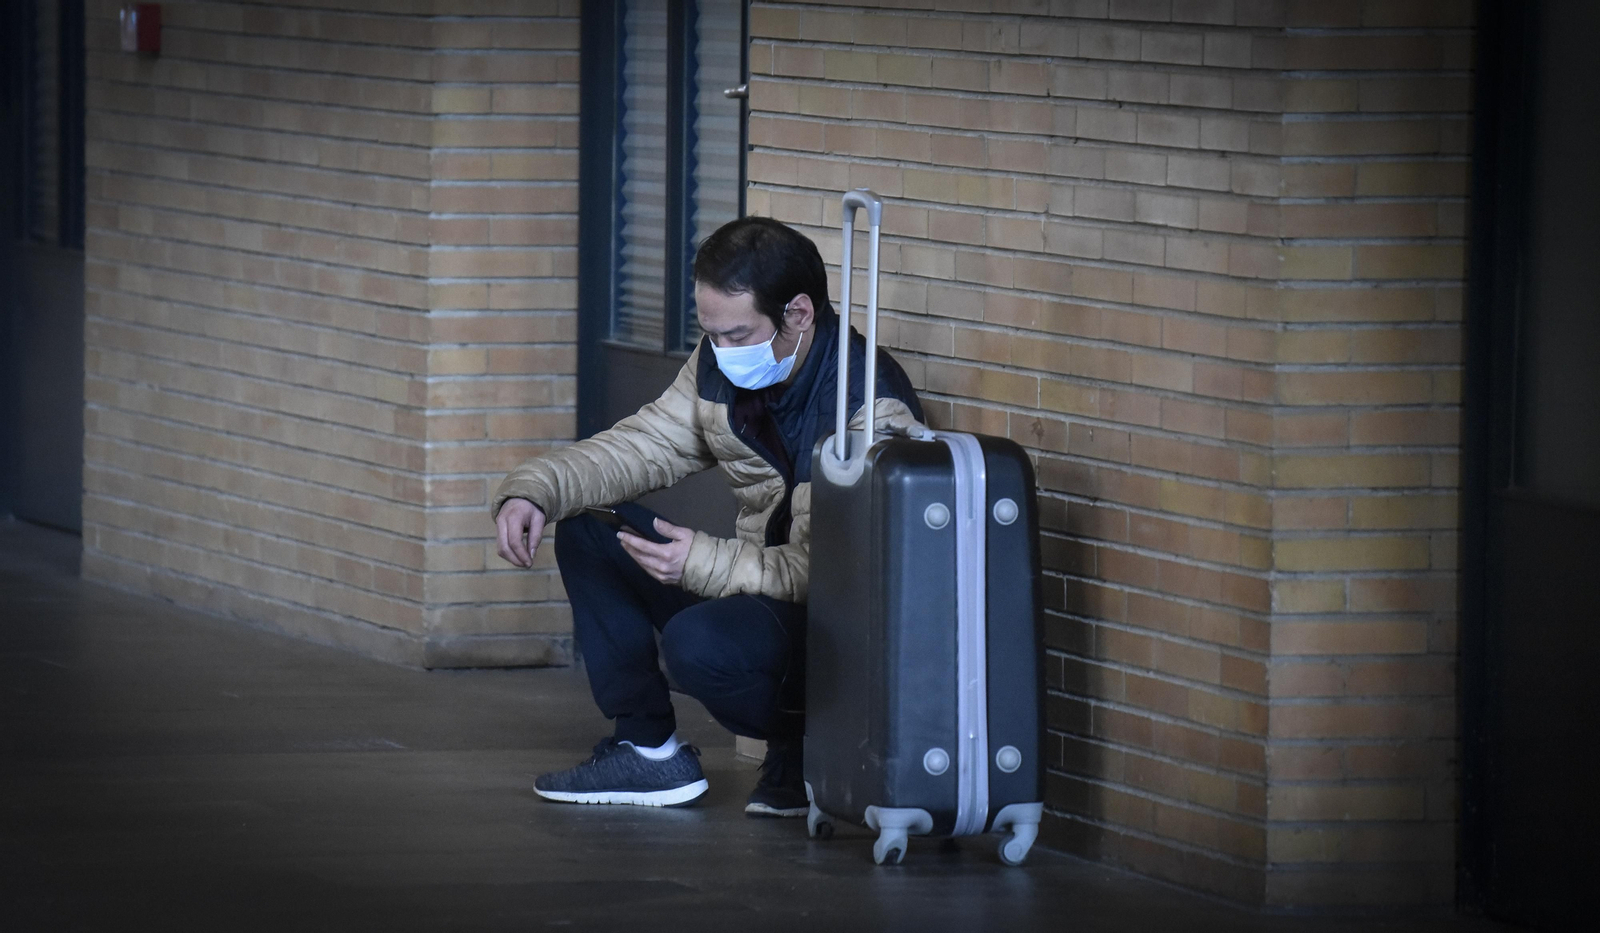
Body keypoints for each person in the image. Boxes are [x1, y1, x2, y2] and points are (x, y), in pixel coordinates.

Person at [491, 216, 924, 816]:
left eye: (738, 334)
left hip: (835, 631)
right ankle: (647, 752)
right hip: (750, 587)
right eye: (710, 333)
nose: (721, 352)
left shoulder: (868, 410)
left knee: (700, 645)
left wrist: (698, 561)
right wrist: (534, 490)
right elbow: (645, 445)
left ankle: (801, 744)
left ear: (799, 314)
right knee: (590, 531)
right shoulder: (722, 362)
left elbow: (838, 575)